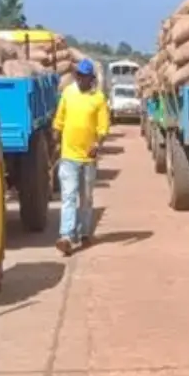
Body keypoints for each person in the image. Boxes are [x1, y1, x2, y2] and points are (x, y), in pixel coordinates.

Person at [52, 59, 109, 254]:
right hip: (69, 155)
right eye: (80, 76)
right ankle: (66, 236)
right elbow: (59, 120)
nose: (82, 79)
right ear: (77, 76)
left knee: (85, 198)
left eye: (86, 76)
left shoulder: (98, 98)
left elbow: (103, 128)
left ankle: (84, 232)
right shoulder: (68, 93)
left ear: (91, 78)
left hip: (88, 157)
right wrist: (55, 139)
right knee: (68, 196)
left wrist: (97, 144)